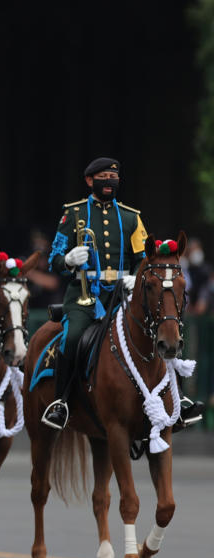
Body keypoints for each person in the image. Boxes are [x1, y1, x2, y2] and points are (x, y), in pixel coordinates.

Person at [42, 157, 201, 429]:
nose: (109, 181)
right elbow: (53, 259)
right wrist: (68, 260)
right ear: (90, 181)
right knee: (73, 337)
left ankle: (180, 399)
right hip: (85, 296)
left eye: (114, 177)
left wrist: (135, 277)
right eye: (103, 176)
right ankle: (62, 403)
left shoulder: (130, 217)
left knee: (161, 330)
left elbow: (143, 257)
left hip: (122, 295)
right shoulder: (74, 213)